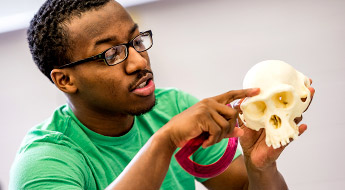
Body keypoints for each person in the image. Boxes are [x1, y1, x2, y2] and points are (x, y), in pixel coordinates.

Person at [9, 0, 315, 189]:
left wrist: (260, 165)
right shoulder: (43, 162)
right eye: (112, 54)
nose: (140, 62)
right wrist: (165, 141)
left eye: (136, 41)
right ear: (65, 80)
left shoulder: (174, 107)